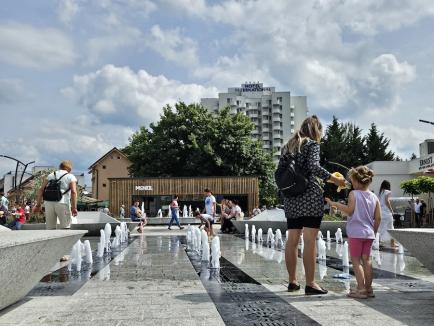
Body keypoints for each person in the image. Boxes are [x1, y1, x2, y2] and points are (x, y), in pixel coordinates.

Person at [282, 115, 346, 295]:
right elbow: (314, 167)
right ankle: (310, 283)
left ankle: (293, 282)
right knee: (310, 241)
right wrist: (335, 180)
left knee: (292, 240)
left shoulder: (288, 146)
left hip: (291, 197)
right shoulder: (312, 144)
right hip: (309, 197)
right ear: (316, 130)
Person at [326, 166, 381, 299]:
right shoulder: (374, 196)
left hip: (356, 234)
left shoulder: (353, 194)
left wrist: (335, 204)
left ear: (356, 181)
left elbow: (350, 210)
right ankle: (369, 289)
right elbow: (378, 218)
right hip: (369, 234)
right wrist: (373, 231)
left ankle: (361, 289)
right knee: (367, 261)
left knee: (356, 261)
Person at [33, 160, 78, 230]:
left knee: (50, 229)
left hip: (48, 203)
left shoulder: (51, 175)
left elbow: (41, 190)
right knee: (65, 228)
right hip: (63, 203)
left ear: (60, 167)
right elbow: (74, 192)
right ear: (69, 168)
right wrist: (74, 208)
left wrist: (38, 205)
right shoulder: (70, 176)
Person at [378, 180, 397, 248]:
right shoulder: (388, 192)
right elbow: (387, 201)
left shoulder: (380, 193)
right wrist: (391, 210)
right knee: (391, 227)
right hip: (386, 212)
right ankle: (392, 243)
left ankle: (379, 242)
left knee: (381, 228)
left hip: (381, 212)